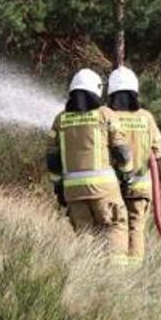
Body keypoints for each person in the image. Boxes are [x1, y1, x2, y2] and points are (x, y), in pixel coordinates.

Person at [45, 69, 134, 262]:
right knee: (115, 230)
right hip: (104, 191)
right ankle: (116, 277)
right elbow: (122, 152)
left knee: (85, 238)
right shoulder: (105, 114)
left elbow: (52, 159)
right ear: (97, 89)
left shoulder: (60, 119)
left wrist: (59, 187)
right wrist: (127, 177)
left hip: (73, 193)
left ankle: (88, 276)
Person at [105, 66, 161, 260]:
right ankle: (134, 270)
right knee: (136, 229)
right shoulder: (146, 117)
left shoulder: (108, 116)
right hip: (141, 187)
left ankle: (115, 267)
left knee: (115, 229)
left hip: (114, 187)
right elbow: (158, 150)